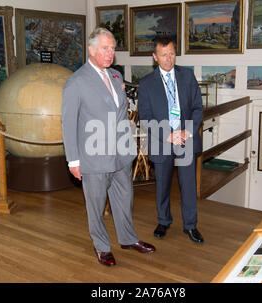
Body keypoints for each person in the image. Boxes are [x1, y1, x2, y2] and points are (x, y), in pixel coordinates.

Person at [61, 28, 155, 267]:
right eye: (105, 48)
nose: (110, 53)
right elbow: (69, 123)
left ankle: (128, 238)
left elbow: (120, 114)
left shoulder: (115, 76)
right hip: (93, 157)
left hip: (121, 154)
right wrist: (73, 161)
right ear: (91, 50)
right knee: (96, 205)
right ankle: (102, 247)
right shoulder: (76, 82)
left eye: (113, 48)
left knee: (125, 200)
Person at [138, 37, 204, 244]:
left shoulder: (188, 76)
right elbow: (146, 117)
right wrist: (166, 134)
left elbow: (197, 108)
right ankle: (164, 220)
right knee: (163, 184)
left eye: (172, 53)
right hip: (161, 139)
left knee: (188, 185)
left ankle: (191, 226)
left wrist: (187, 131)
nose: (169, 59)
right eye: (164, 54)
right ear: (155, 57)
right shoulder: (146, 83)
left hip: (186, 139)